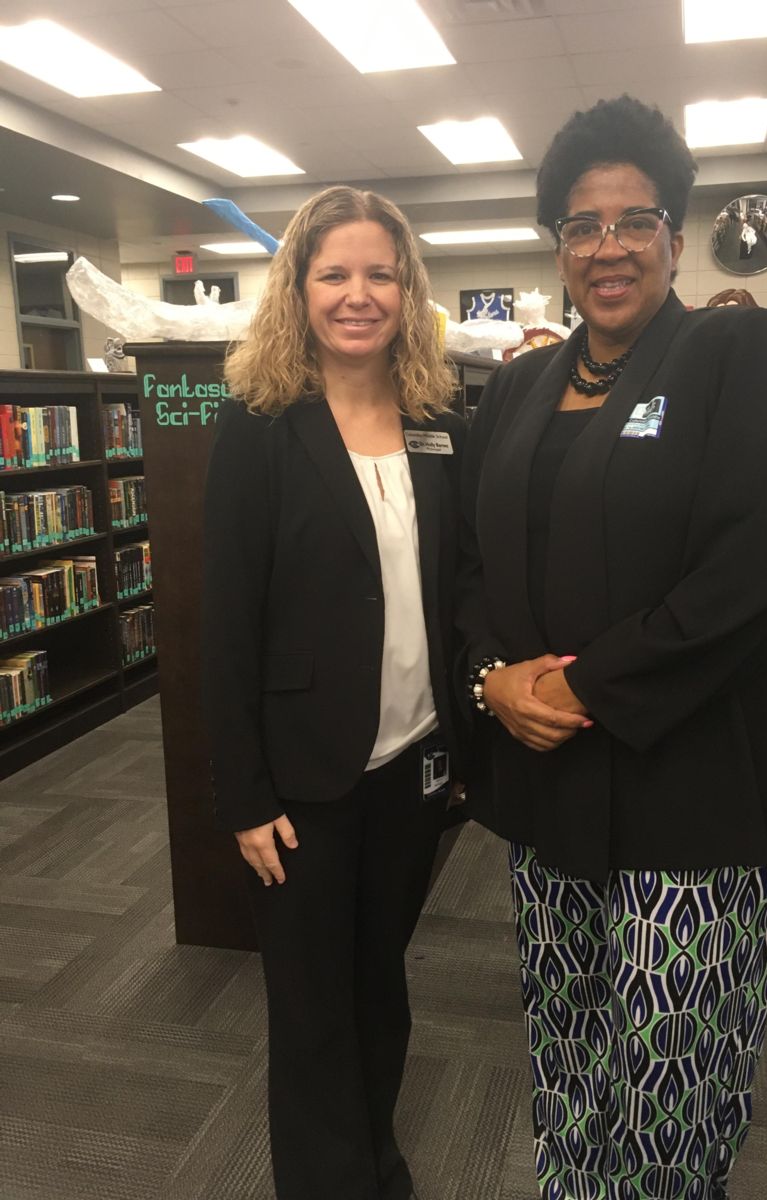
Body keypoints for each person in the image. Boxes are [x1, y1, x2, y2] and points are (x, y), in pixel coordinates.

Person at [457, 95, 767, 1200]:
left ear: (673, 232)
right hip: (549, 782)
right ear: (557, 246)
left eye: (632, 219)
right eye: (580, 223)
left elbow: (750, 568)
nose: (605, 245)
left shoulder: (731, 349)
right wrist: (493, 678)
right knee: (566, 1047)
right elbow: (468, 558)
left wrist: (578, 688)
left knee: (668, 1070)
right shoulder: (519, 383)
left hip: (689, 785)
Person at [203, 185, 464, 1200]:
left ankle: (376, 1163)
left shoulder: (440, 421)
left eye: (380, 274)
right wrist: (243, 795)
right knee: (311, 1008)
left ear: (407, 288)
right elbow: (225, 623)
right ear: (299, 288)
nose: (359, 295)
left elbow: (458, 582)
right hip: (301, 781)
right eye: (335, 275)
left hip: (411, 765)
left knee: (380, 987)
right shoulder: (259, 426)